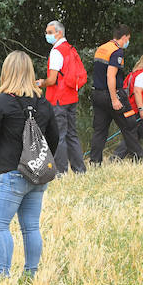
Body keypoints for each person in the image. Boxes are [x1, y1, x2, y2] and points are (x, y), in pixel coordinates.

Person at [0, 50, 61, 278]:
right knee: (31, 227)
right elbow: (54, 137)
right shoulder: (43, 102)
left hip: (12, 173)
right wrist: (41, 162)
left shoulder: (3, 101)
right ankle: (30, 274)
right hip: (36, 176)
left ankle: (3, 275)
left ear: (7, 72)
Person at [89, 24, 143, 164]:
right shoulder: (116, 51)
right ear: (124, 37)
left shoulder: (102, 48)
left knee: (100, 130)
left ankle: (95, 162)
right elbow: (110, 76)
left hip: (97, 95)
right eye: (128, 39)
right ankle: (138, 159)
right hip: (112, 95)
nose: (128, 42)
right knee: (130, 125)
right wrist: (114, 99)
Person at [42, 20, 86, 174]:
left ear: (58, 33)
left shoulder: (56, 51)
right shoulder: (71, 49)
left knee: (59, 136)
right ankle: (80, 170)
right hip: (71, 97)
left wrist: (41, 83)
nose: (47, 35)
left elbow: (52, 80)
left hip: (58, 98)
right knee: (72, 134)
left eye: (49, 32)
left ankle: (60, 171)